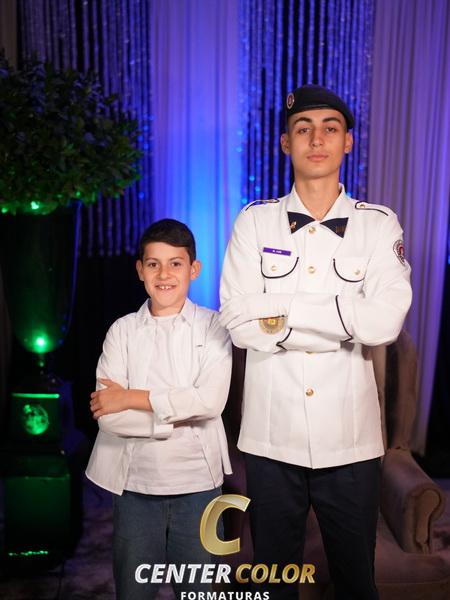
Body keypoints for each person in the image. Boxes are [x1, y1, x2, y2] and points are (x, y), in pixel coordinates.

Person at [219, 84, 412, 600]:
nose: (317, 139)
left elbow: (384, 323)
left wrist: (281, 313)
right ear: (286, 143)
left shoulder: (378, 225)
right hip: (270, 438)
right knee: (275, 582)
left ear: (348, 141)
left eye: (330, 128)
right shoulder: (254, 222)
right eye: (303, 129)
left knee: (356, 583)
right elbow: (237, 322)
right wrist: (345, 318)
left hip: (350, 441)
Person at [86, 218, 232, 600]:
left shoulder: (214, 327)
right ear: (140, 270)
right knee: (133, 593)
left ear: (194, 269)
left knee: (198, 592)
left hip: (199, 485)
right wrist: (176, 418)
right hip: (135, 486)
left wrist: (132, 397)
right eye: (153, 264)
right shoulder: (121, 331)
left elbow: (210, 401)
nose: (164, 274)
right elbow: (109, 415)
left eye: (175, 264)